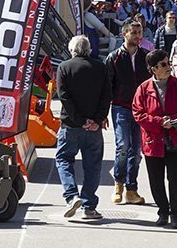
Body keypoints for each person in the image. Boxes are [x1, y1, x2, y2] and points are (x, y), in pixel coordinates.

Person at [132, 49, 177, 228]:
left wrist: (172, 121)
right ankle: (163, 211)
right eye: (163, 64)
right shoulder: (143, 88)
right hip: (153, 141)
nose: (168, 67)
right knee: (156, 180)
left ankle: (175, 214)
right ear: (153, 69)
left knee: (174, 176)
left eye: (168, 63)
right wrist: (158, 122)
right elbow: (138, 113)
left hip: (175, 139)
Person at [56, 36, 112, 220]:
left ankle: (72, 196)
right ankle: (88, 207)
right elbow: (106, 96)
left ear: (72, 49)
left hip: (70, 125)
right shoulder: (100, 67)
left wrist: (80, 120)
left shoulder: (64, 67)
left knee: (64, 159)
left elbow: (64, 97)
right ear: (88, 49)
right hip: (94, 127)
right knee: (93, 166)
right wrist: (97, 119)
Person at [105, 20, 150, 205]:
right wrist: (102, 114)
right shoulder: (114, 57)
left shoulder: (146, 56)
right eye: (134, 32)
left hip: (141, 109)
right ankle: (119, 184)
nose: (138, 36)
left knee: (137, 150)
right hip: (120, 106)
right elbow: (107, 86)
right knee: (122, 147)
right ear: (125, 34)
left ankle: (132, 189)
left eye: (140, 32)